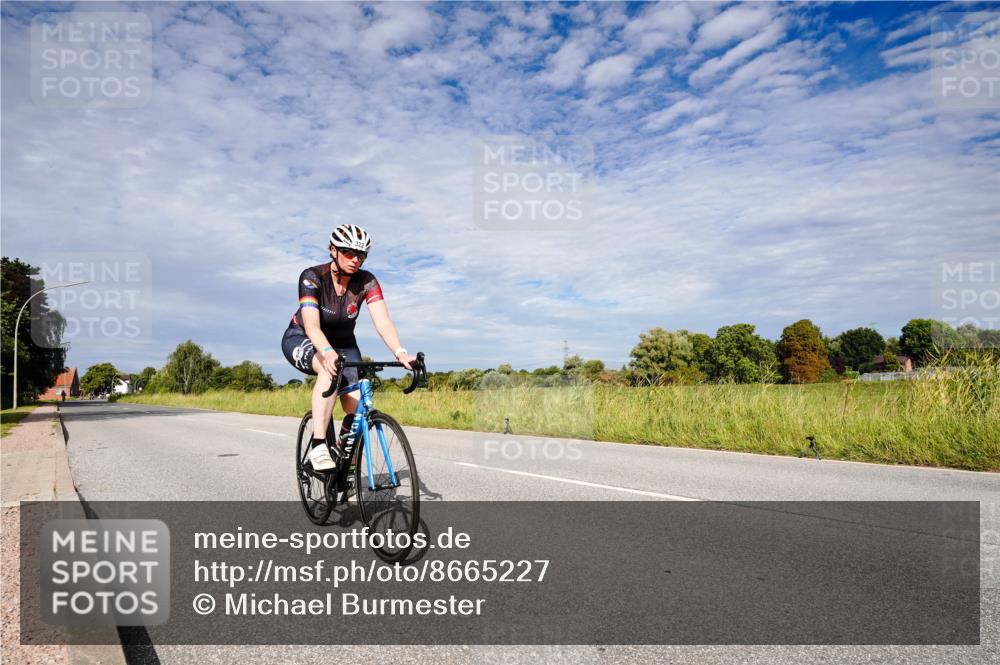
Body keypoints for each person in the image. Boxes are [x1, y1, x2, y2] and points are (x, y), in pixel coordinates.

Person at [281, 224, 415, 471]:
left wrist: (400, 352)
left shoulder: (366, 281)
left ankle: (346, 461)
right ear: (333, 250)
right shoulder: (313, 277)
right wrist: (327, 352)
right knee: (328, 369)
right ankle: (318, 445)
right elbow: (312, 326)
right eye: (349, 253)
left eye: (361, 255)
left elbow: (383, 322)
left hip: (344, 344)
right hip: (303, 337)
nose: (355, 260)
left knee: (356, 411)